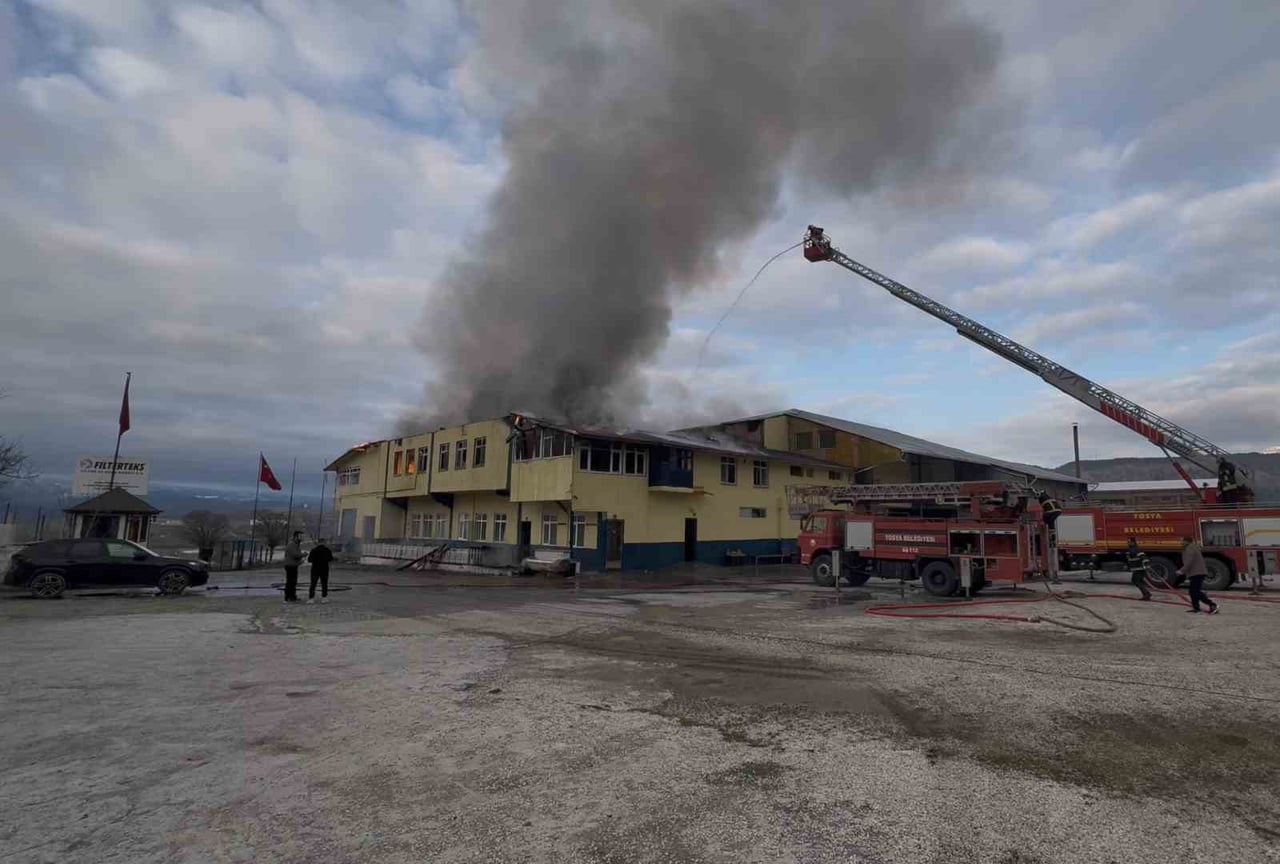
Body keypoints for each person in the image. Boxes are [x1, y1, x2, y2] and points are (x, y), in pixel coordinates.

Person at [1177, 535, 1219, 614]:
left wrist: (1181, 571)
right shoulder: (1191, 547)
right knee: (1193, 591)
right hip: (1196, 572)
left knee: (1195, 591)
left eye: (1182, 541)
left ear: (1187, 541)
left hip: (1197, 573)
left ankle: (1212, 605)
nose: (1180, 542)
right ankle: (1196, 608)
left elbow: (1189, 561)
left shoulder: (1190, 548)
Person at [307, 538, 334, 604]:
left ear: (318, 542)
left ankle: (311, 598)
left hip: (315, 569)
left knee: (313, 584)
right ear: (324, 542)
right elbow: (331, 559)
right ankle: (324, 598)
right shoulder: (327, 550)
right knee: (324, 584)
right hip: (324, 569)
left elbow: (309, 560)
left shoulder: (313, 550)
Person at [282, 530, 304, 602]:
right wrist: (303, 555)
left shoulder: (296, 545)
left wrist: (300, 561)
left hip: (293, 565)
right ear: (295, 537)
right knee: (290, 582)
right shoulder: (291, 545)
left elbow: (296, 556)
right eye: (300, 536)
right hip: (290, 566)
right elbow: (296, 555)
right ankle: (288, 597)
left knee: (293, 582)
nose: (301, 538)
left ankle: (292, 596)